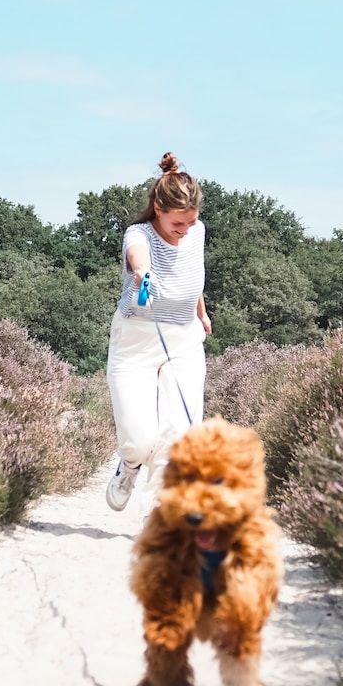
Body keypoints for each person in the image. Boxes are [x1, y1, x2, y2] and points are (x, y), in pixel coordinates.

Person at [105, 152, 211, 511]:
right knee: (139, 438)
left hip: (184, 340)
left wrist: (202, 312)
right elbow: (138, 255)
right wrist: (142, 272)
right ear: (159, 210)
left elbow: (192, 275)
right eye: (177, 224)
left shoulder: (196, 232)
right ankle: (129, 465)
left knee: (179, 436)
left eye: (190, 222)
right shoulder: (139, 234)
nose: (184, 230)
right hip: (136, 341)